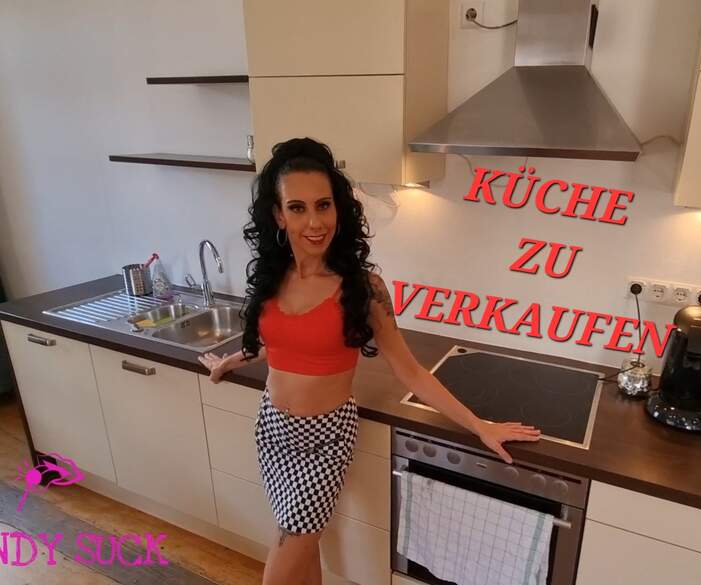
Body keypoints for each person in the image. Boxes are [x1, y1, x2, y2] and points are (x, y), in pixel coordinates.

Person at [197, 137, 541, 585]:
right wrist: (228, 363)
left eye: (324, 205)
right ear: (279, 215)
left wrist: (480, 426)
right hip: (273, 431)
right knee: (303, 546)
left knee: (284, 559)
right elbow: (277, 344)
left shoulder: (364, 289)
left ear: (338, 209)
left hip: (326, 439)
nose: (314, 221)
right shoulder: (271, 278)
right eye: (298, 208)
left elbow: (410, 370)